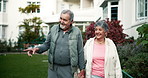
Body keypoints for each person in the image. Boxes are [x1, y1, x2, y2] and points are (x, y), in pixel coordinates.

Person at [24, 9, 85, 78]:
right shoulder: (53, 29)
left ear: (71, 21)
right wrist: (37, 49)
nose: (61, 21)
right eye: (61, 18)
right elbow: (46, 44)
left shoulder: (77, 32)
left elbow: (80, 51)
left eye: (65, 20)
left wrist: (82, 68)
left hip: (68, 69)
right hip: (53, 68)